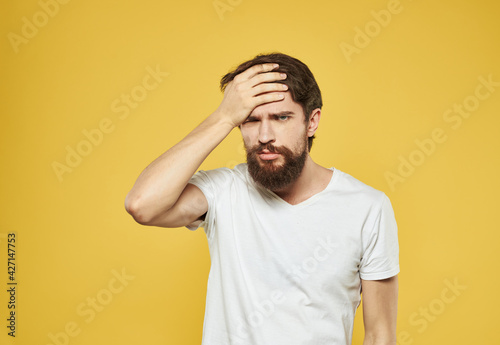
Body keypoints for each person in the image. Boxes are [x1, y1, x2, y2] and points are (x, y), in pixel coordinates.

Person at [124, 52, 400, 345]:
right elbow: (142, 205)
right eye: (251, 120)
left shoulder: (367, 207)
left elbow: (379, 334)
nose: (265, 135)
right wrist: (223, 116)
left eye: (281, 117)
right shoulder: (224, 191)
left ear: (312, 122)